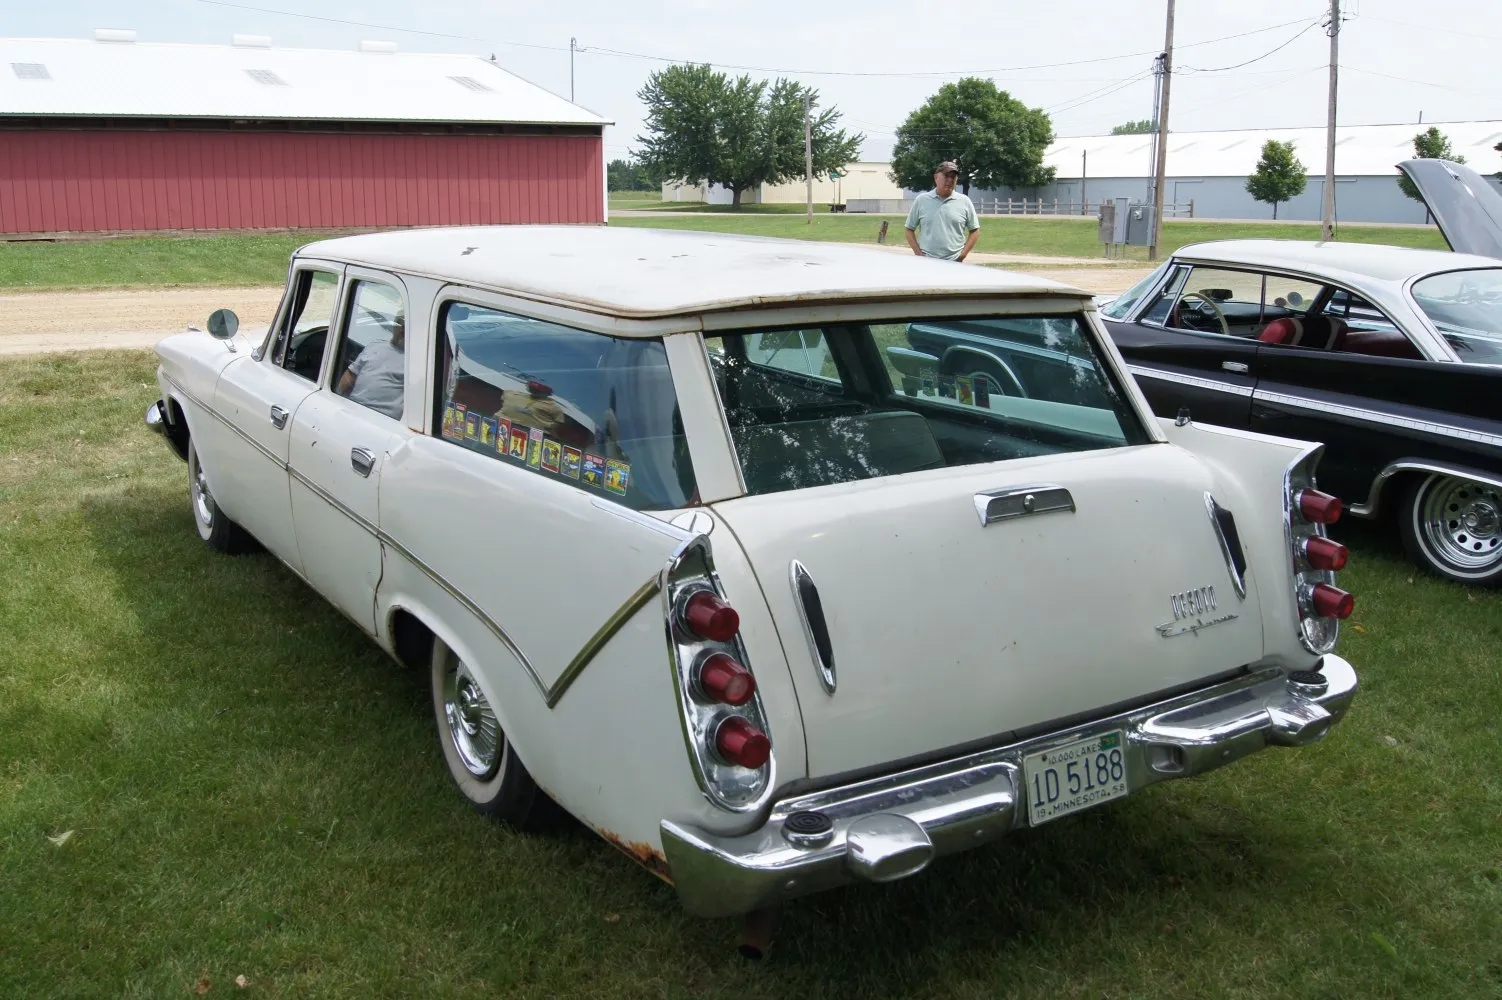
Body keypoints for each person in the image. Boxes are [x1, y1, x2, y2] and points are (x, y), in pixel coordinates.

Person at [904, 161, 981, 262]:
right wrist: (919, 254)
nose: (950, 180)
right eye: (946, 176)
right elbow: (909, 229)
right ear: (936, 177)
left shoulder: (965, 201)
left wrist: (962, 256)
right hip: (927, 261)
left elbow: (975, 231)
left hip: (955, 261)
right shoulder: (921, 200)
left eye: (953, 177)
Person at [337, 315, 405, 420]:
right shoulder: (375, 345)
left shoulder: (416, 362)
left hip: (384, 421)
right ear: (395, 325)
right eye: (402, 325)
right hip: (353, 410)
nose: (404, 330)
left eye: (409, 327)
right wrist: (336, 398)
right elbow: (350, 375)